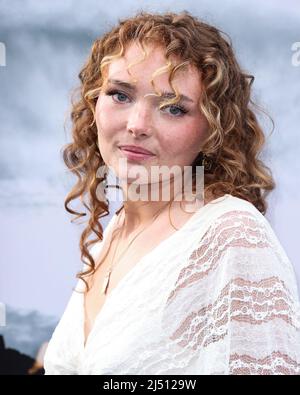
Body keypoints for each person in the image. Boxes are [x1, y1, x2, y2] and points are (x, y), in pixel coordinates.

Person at [43, 10, 300, 375]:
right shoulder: (111, 237)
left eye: (173, 108)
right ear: (93, 103)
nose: (137, 125)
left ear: (213, 131)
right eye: (120, 95)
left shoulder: (232, 236)